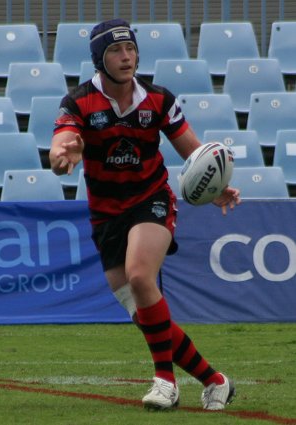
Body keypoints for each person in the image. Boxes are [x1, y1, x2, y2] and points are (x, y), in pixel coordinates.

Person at [49, 18, 240, 411]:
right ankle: (215, 380)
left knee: (140, 275)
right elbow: (62, 141)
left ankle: (165, 382)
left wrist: (217, 188)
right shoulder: (78, 102)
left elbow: (194, 152)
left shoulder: (159, 100)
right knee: (144, 313)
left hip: (151, 198)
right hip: (105, 213)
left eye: (130, 49)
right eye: (116, 51)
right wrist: (61, 156)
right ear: (99, 59)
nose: (126, 57)